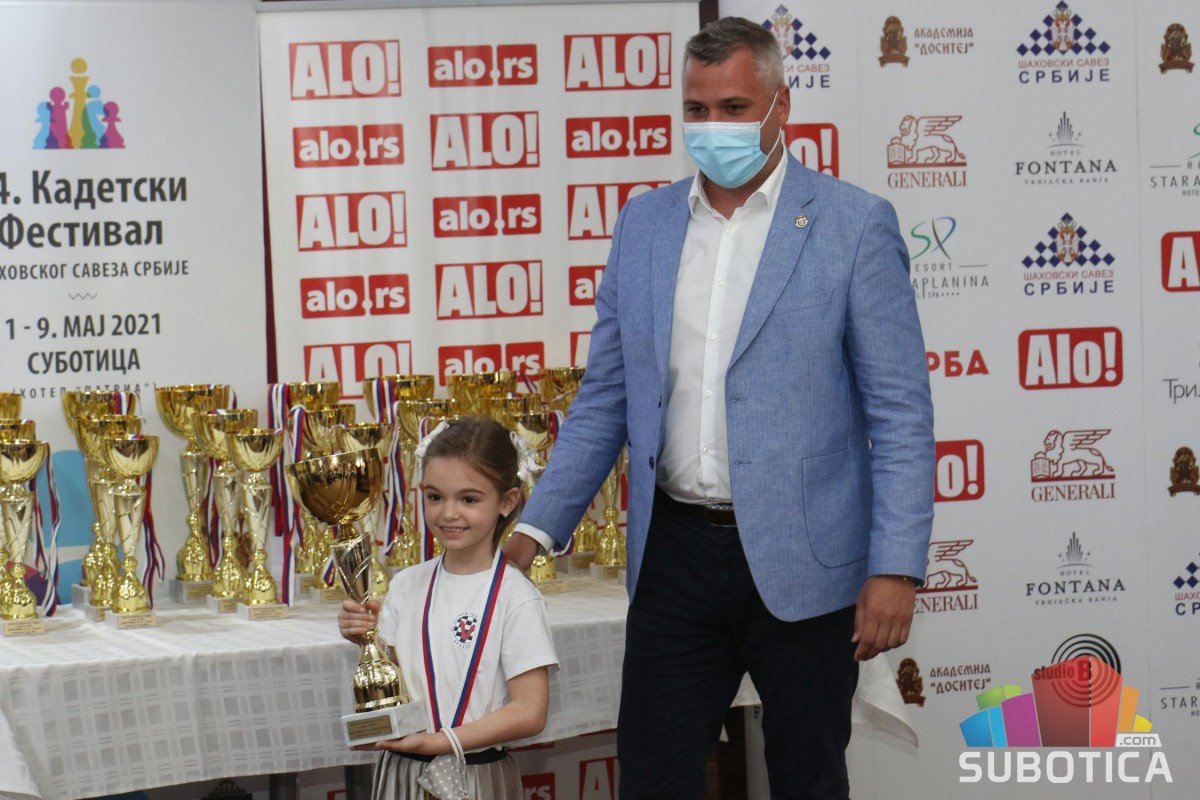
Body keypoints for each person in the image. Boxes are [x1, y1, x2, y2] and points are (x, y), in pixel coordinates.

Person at [504, 16, 935, 800]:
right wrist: (535, 528)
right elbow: (605, 397)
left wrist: (896, 566)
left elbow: (900, 414)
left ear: (780, 106)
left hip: (808, 561)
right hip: (674, 557)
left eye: (734, 108)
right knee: (654, 779)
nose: (713, 127)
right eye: (696, 109)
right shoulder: (644, 223)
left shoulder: (853, 225)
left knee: (808, 779)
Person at [339, 416, 559, 800]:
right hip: (402, 774)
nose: (448, 513)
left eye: (469, 499)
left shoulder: (515, 596)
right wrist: (366, 639)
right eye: (435, 497)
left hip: (477, 776)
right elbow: (397, 688)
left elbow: (530, 711)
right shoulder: (406, 583)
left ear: (507, 501)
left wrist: (440, 742)